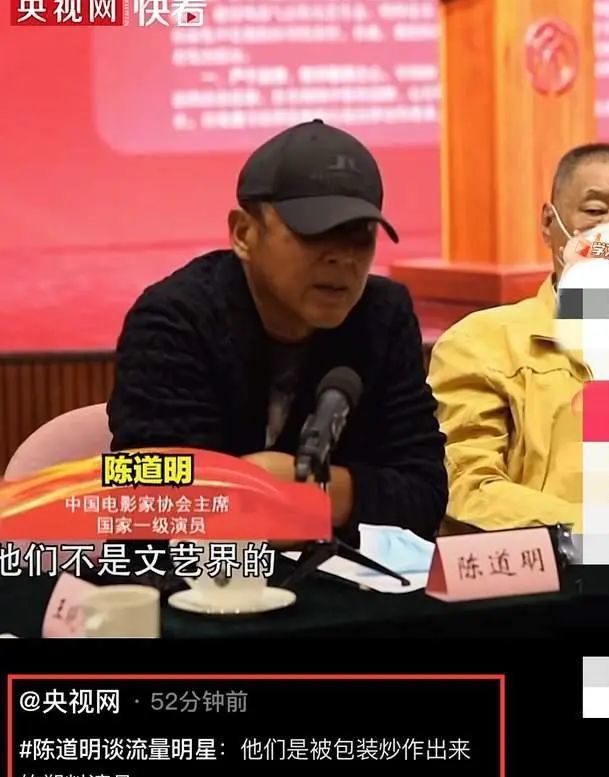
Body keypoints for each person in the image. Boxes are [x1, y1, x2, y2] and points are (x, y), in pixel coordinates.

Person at [107, 119, 447, 545]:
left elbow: (425, 496)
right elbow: (150, 497)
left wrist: (312, 491)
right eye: (316, 232)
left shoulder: (383, 316)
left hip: (337, 579)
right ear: (243, 233)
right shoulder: (174, 320)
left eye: (360, 236)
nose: (342, 258)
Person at [428, 142, 609, 532]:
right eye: (595, 211)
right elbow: (468, 489)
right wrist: (601, 532)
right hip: (559, 562)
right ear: (548, 223)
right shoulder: (481, 343)